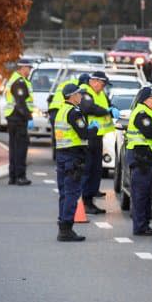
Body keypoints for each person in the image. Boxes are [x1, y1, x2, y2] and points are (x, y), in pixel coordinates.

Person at [126, 87, 152, 236]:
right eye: (151, 98)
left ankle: (143, 225)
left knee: (145, 195)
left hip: (147, 159)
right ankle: (140, 227)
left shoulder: (151, 112)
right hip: (140, 158)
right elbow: (149, 132)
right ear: (144, 100)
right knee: (140, 195)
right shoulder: (141, 113)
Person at [79, 71, 120, 214]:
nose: (103, 87)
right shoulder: (85, 92)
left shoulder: (100, 94)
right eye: (102, 84)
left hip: (98, 137)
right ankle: (85, 201)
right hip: (88, 137)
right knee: (88, 170)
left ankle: (91, 200)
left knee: (96, 170)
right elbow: (89, 108)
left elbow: (108, 104)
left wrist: (112, 107)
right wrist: (106, 111)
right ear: (94, 81)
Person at [54, 84, 91, 242]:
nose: (81, 96)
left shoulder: (61, 110)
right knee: (72, 193)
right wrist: (93, 130)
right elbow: (83, 133)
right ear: (72, 96)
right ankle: (66, 229)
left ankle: (63, 225)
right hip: (73, 156)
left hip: (62, 155)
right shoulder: (74, 112)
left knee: (64, 192)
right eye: (78, 94)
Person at [3, 59, 35, 186]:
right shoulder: (20, 82)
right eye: (29, 68)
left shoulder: (15, 79)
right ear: (22, 68)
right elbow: (20, 103)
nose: (30, 70)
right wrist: (29, 117)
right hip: (18, 118)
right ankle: (20, 176)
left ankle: (13, 176)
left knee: (14, 148)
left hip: (14, 118)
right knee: (20, 148)